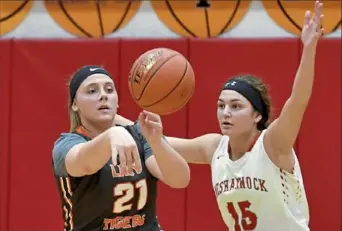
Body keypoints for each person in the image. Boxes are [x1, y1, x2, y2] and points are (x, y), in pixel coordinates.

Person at [115, 1, 324, 230]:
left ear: (257, 115)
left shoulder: (273, 144)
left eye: (236, 106)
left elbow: (298, 101)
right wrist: (110, 118)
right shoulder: (215, 147)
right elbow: (153, 138)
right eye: (221, 105)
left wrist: (309, 48)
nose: (225, 113)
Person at [52, 65, 190, 231]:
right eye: (92, 91)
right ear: (75, 104)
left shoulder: (138, 133)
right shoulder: (66, 145)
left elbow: (180, 180)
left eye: (109, 90)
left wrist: (157, 142)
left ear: (117, 101)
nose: (103, 95)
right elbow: (84, 162)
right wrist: (112, 134)